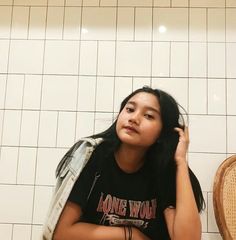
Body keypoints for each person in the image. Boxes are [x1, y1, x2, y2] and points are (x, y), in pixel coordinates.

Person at [42, 86, 205, 240]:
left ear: (162, 133)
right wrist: (130, 234)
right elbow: (61, 232)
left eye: (148, 115)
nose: (134, 118)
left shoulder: (165, 171)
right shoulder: (91, 157)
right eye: (130, 109)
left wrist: (181, 162)